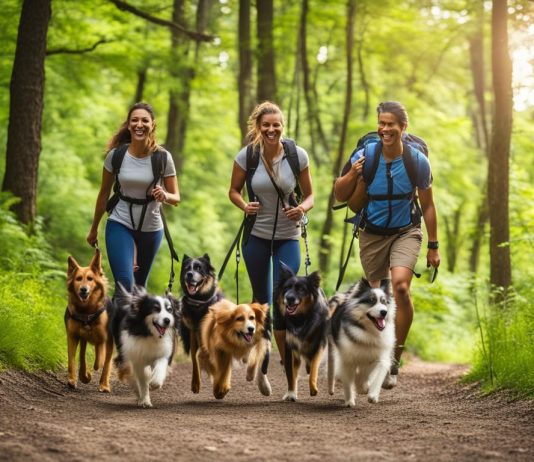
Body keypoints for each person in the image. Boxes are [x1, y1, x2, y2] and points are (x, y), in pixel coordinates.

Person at [334, 101, 440, 387]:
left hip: (406, 230)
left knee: (401, 288)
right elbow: (340, 195)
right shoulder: (365, 155)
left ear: (403, 128)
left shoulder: (417, 161)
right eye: (381, 123)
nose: (384, 129)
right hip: (371, 233)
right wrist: (354, 173)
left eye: (391, 124)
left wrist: (433, 245)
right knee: (378, 296)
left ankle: (393, 358)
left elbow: (428, 206)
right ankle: (377, 355)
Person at [228, 101, 314, 365]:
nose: (271, 130)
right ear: (258, 127)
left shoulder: (296, 155)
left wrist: (300, 209)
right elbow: (233, 191)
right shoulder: (247, 156)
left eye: (276, 125)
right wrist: (244, 205)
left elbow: (310, 195)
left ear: (282, 126)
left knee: (283, 298)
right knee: (262, 301)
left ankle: (287, 360)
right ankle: (261, 352)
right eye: (266, 125)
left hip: (288, 236)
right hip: (257, 237)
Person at [87, 102, 180, 294]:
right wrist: (94, 228)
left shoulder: (163, 158)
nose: (139, 124)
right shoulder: (116, 156)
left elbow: (176, 197)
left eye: (145, 120)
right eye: (134, 120)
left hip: (151, 228)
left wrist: (164, 195)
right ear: (128, 125)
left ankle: (123, 322)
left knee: (138, 289)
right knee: (124, 285)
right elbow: (104, 193)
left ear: (152, 125)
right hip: (120, 223)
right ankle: (117, 323)